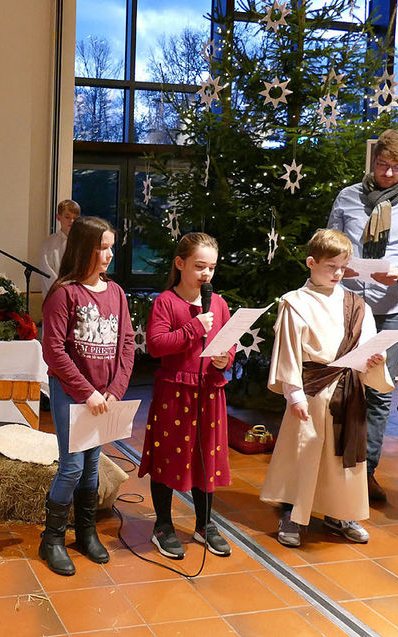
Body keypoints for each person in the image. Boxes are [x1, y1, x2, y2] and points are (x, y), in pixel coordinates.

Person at [260, 229, 392, 547]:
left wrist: (374, 358)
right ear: (311, 262)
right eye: (330, 266)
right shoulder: (296, 303)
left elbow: (369, 344)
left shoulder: (356, 303)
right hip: (312, 391)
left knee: (341, 458)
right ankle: (293, 514)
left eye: (342, 267)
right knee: (303, 454)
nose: (337, 273)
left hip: (348, 390)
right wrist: (293, 394)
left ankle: (339, 512)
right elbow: (289, 351)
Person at [328, 128, 398, 503]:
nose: (387, 174)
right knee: (337, 385)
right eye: (381, 165)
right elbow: (330, 243)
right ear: (373, 160)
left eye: (396, 167)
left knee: (377, 390)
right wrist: (338, 266)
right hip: (347, 305)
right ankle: (328, 468)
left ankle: (365, 472)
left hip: (393, 310)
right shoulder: (348, 197)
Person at [40, 216, 135, 576]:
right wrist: (88, 393)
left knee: (94, 464)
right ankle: (51, 539)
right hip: (72, 393)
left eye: (112, 247)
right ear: (84, 249)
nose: (109, 254)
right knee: (72, 466)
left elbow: (126, 344)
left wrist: (114, 392)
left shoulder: (117, 293)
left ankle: (85, 531)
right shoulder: (64, 294)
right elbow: (54, 351)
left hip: (104, 397)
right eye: (103, 247)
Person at [138, 232, 235, 559]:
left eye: (211, 268)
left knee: (205, 456)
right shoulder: (166, 301)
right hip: (175, 393)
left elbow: (228, 342)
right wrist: (195, 327)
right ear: (180, 264)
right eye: (199, 266)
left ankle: (204, 523)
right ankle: (163, 525)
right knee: (169, 457)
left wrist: (226, 358)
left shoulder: (218, 303)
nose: (206, 274)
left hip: (209, 391)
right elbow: (156, 345)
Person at [38, 200, 80, 296]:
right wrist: (62, 290)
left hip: (78, 294)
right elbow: (47, 270)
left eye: (75, 218)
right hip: (56, 294)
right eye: (67, 217)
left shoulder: (82, 243)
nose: (71, 221)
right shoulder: (49, 244)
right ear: (58, 217)